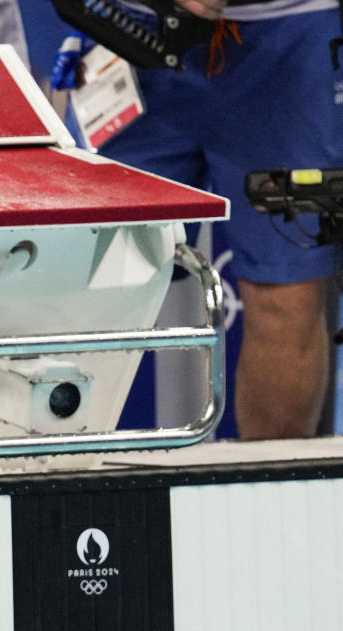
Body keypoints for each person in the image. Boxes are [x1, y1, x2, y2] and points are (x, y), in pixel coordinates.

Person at [74, 0, 341, 439]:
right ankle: (46, 487)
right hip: (126, 32)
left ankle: (270, 497)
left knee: (285, 298)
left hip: (287, 37)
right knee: (70, 276)